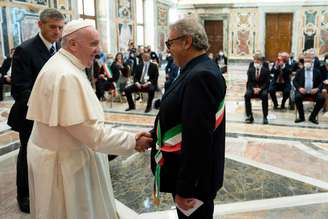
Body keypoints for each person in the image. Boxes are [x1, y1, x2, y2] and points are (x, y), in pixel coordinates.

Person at [26, 20, 152, 219]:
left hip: (62, 155)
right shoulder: (66, 75)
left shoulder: (63, 64)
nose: (98, 49)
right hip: (65, 166)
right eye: (93, 44)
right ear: (73, 44)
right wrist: (132, 141)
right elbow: (92, 135)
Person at [150, 18, 226, 219]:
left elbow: (197, 138)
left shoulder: (200, 76)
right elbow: (181, 118)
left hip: (195, 185)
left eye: (170, 43)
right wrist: (152, 136)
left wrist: (185, 187)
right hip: (192, 177)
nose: (169, 49)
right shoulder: (193, 69)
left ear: (187, 41)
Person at [7, 8, 65, 213]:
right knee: (27, 155)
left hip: (55, 114)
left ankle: (46, 190)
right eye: (52, 27)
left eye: (60, 27)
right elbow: (20, 89)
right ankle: (24, 195)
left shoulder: (60, 48)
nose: (57, 32)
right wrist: (48, 105)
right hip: (29, 114)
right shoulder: (26, 50)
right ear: (40, 25)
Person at [293, 51, 324, 124]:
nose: (307, 61)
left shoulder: (317, 71)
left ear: (312, 60)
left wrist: (317, 89)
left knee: (322, 98)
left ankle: (312, 117)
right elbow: (295, 81)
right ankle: (301, 117)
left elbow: (321, 83)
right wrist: (299, 88)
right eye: (306, 59)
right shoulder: (299, 71)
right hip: (302, 91)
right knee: (297, 97)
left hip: (314, 92)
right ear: (304, 60)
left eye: (309, 59)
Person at [244, 53, 270, 124]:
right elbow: (249, 82)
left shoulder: (265, 70)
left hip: (262, 88)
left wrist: (260, 89)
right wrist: (253, 88)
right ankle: (249, 116)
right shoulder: (251, 70)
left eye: (257, 61)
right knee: (247, 95)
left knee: (265, 95)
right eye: (255, 61)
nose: (256, 62)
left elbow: (267, 83)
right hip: (252, 88)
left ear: (261, 62)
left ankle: (265, 116)